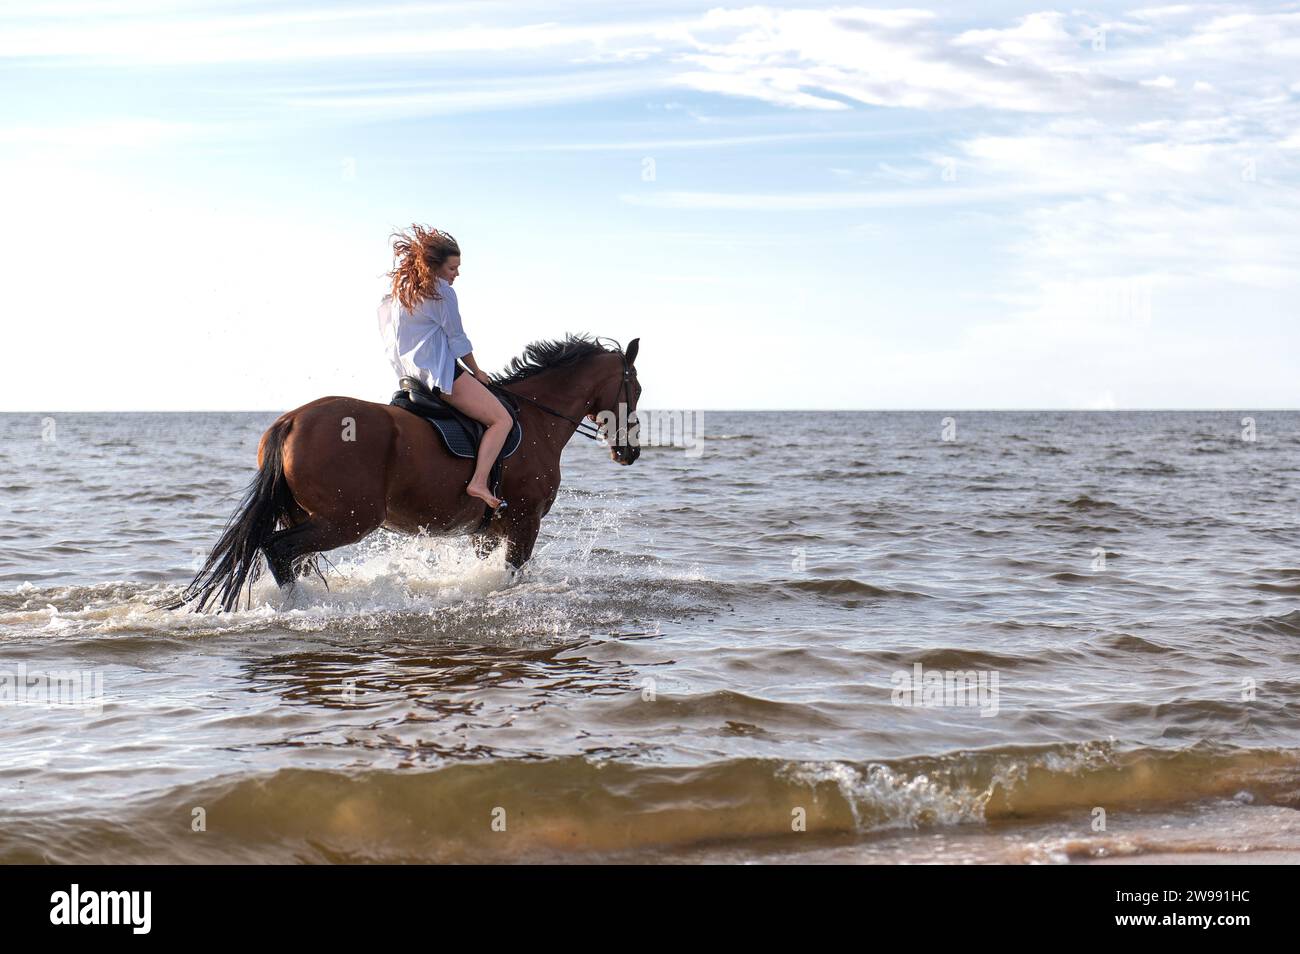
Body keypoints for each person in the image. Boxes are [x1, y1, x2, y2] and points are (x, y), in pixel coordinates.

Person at [378, 225, 511, 510]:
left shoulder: (401, 291)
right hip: (440, 374)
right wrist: (478, 372)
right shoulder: (442, 292)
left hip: (410, 376)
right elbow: (457, 340)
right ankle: (478, 482)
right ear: (435, 266)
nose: (457, 274)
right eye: (453, 267)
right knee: (502, 420)